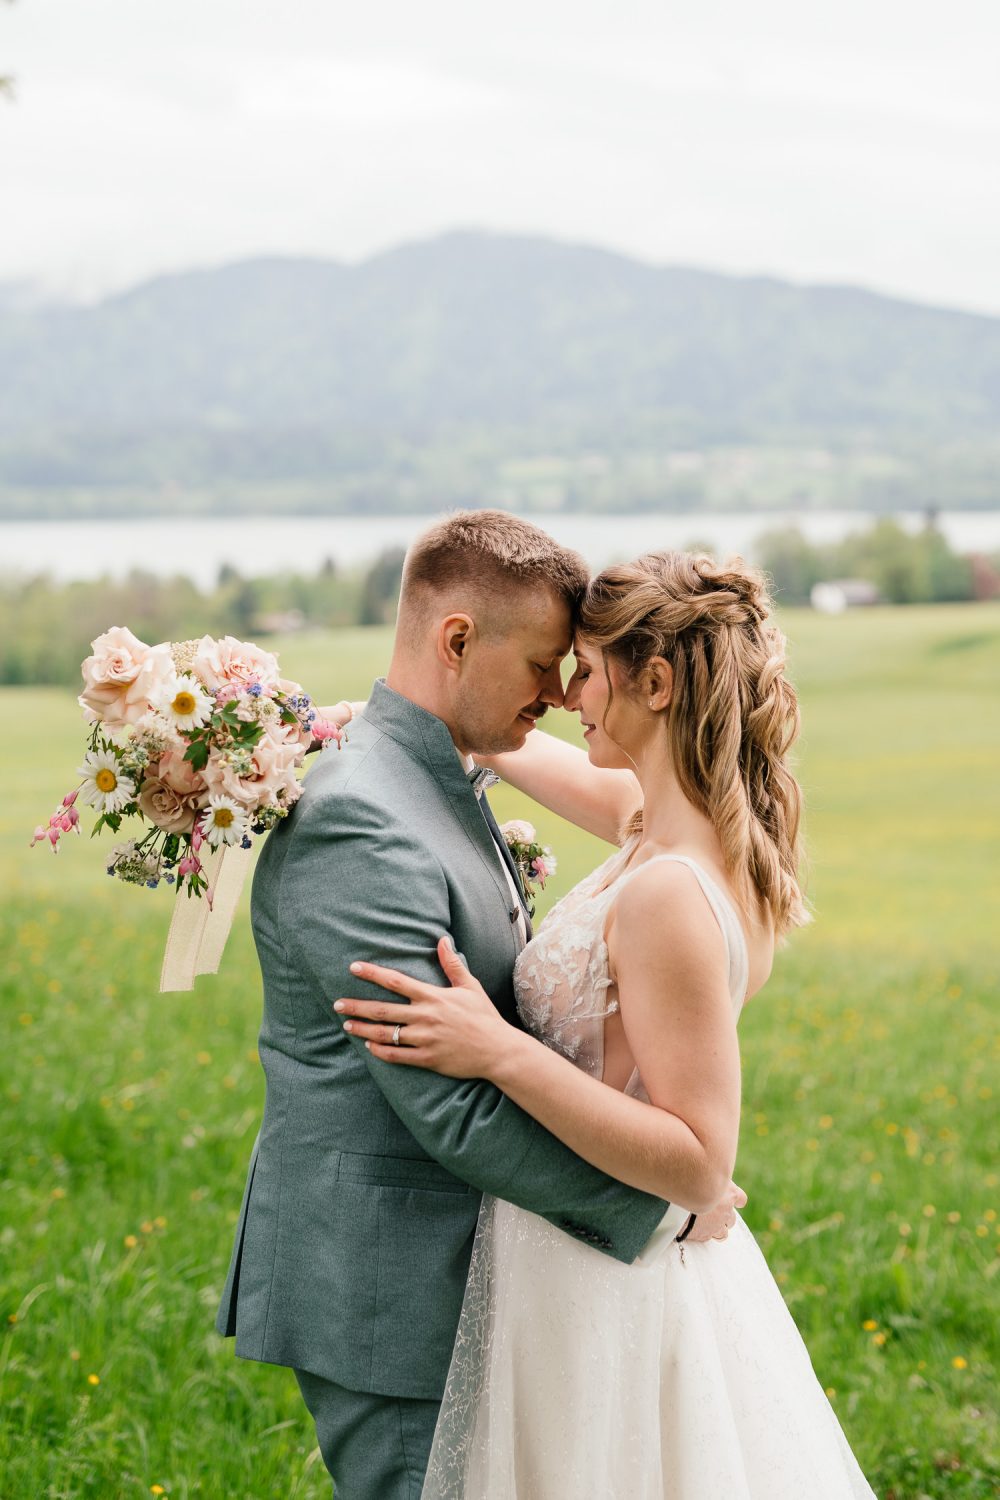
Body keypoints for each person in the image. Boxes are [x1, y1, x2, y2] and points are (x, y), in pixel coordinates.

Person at [215, 514, 741, 1500]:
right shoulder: (360, 818)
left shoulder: (438, 768)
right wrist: (662, 1211)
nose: (559, 692)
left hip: (486, 1275)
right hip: (394, 1286)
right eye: (546, 664)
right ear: (457, 639)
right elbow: (446, 1102)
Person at [336, 550, 878, 1499]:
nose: (562, 693)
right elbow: (495, 738)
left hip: (597, 1284)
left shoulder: (670, 890)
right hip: (588, 1248)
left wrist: (498, 1051)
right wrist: (320, 728)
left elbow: (702, 1158)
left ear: (655, 681)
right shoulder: (665, 822)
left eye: (583, 668)